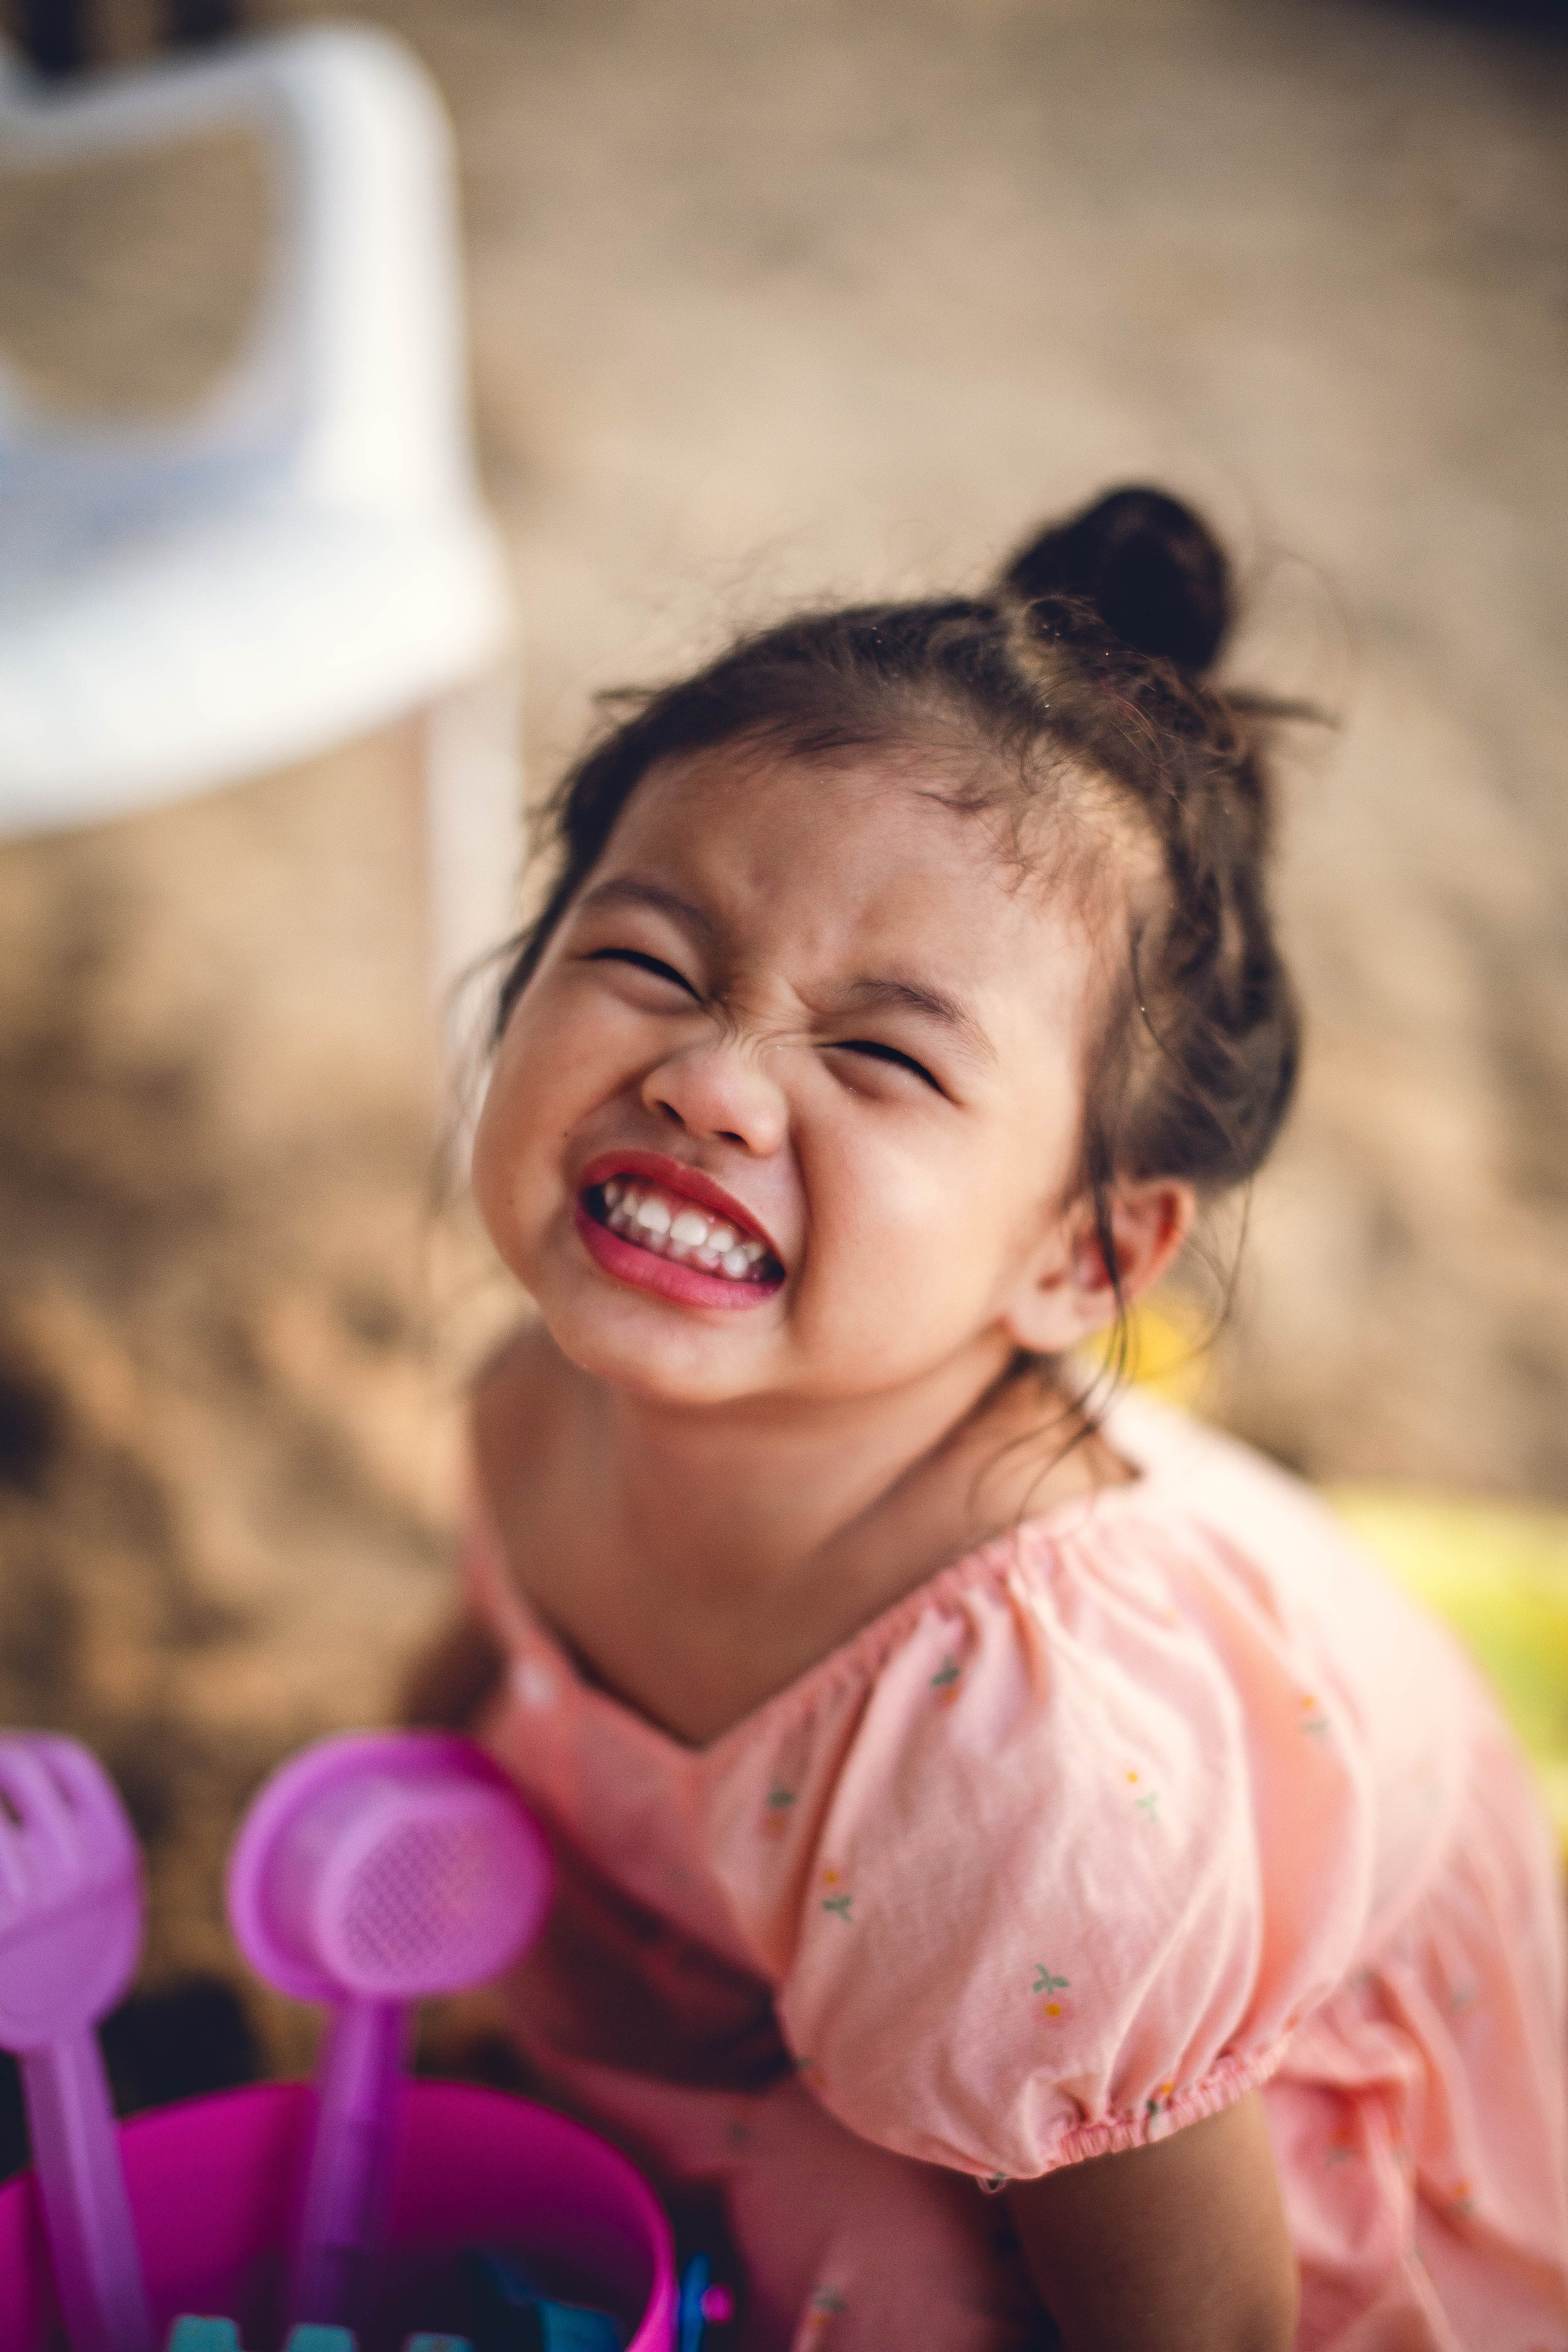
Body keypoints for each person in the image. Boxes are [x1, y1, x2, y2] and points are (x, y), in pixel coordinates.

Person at [409, 488, 1568, 2350]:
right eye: (644, 960)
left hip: (1193, 2132)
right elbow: (489, 1663)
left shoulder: (1023, 1769)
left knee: (879, 2292)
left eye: (881, 1055)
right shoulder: (545, 1382)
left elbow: (1202, 2326)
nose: (708, 1082)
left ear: (1082, 1257)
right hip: (874, 1965)